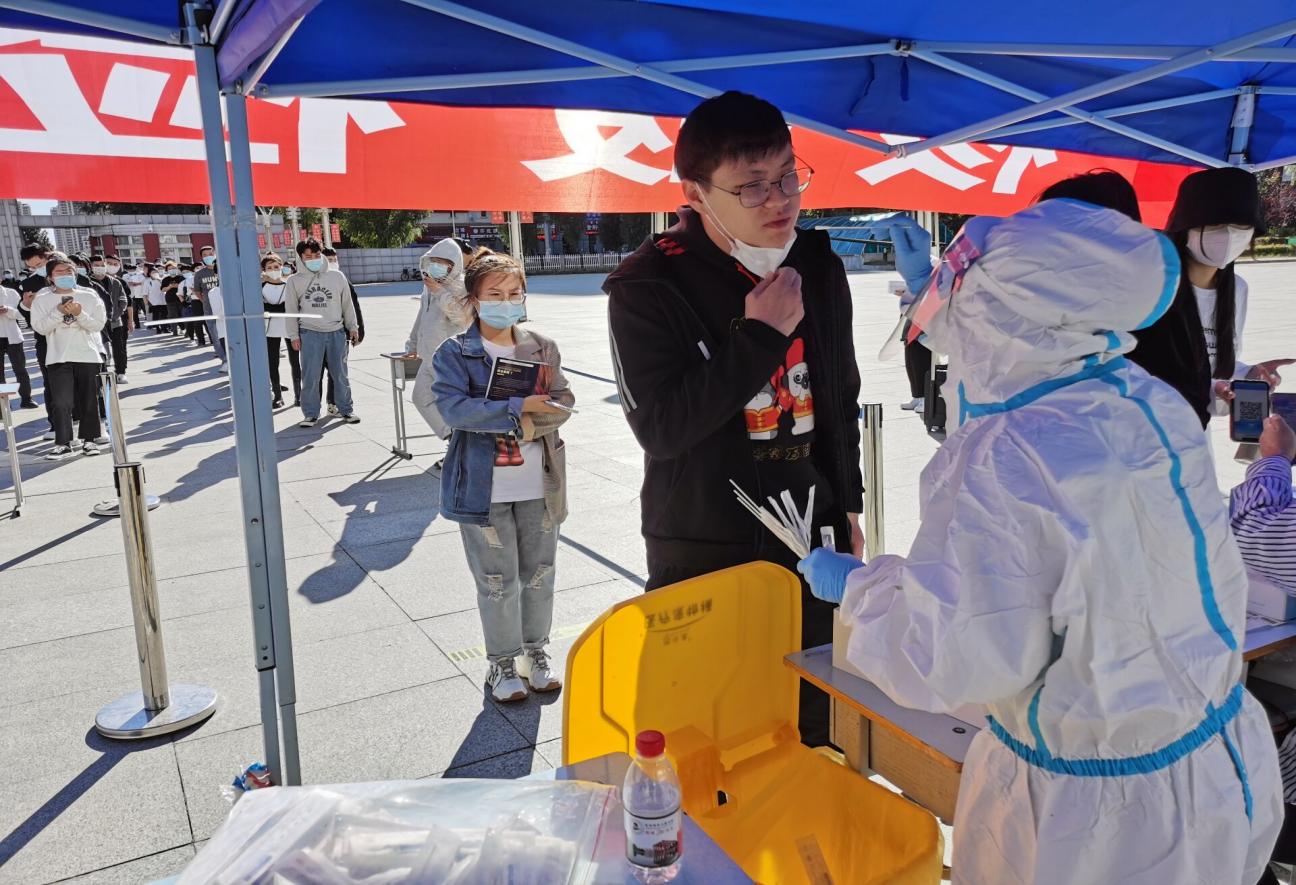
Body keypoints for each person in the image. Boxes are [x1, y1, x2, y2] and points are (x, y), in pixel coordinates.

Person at [800, 199, 1281, 884]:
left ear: (990, 318)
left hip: (1096, 829)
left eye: (960, 305)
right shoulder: (1143, 401)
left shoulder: (1009, 454)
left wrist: (863, 589)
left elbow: (962, 656)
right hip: (1216, 771)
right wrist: (929, 286)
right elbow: (1009, 349)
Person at [605, 91, 863, 747]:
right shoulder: (647, 285)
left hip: (812, 537)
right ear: (694, 193)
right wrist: (761, 337)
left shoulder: (817, 265)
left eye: (788, 177)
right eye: (751, 187)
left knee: (815, 725)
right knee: (709, 737)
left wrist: (848, 506)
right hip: (705, 545)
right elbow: (661, 428)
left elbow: (840, 395)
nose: (780, 200)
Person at [430, 248, 574, 703]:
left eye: (514, 293)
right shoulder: (455, 352)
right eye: (494, 294)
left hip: (540, 484)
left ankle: (536, 653)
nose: (506, 301)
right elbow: (455, 410)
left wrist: (525, 422)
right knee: (497, 582)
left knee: (540, 574)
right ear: (473, 299)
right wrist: (519, 407)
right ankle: (502, 663)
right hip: (483, 488)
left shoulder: (542, 347)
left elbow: (563, 402)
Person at [1131, 167, 1293, 427]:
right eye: (1216, 225)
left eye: (1241, 227)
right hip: (1143, 425)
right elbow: (1142, 370)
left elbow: (1211, 367)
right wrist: (1209, 386)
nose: (1229, 235)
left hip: (1193, 429)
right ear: (1186, 227)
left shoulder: (1237, 289)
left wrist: (1248, 375)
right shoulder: (1153, 286)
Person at [30, 257, 106, 459]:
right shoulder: (42, 299)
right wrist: (58, 312)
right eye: (59, 272)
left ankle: (90, 440)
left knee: (89, 399)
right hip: (58, 356)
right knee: (61, 401)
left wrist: (80, 314)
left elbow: (98, 325)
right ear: (50, 277)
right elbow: (40, 327)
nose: (65, 275)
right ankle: (63, 443)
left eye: (69, 271)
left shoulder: (89, 295)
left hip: (87, 354)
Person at [284, 238, 359, 427]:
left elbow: (347, 304)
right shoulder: (294, 281)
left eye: (317, 255)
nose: (313, 259)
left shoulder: (337, 276)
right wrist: (293, 336)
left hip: (336, 331)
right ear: (300, 257)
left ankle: (346, 410)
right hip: (309, 333)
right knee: (310, 376)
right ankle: (310, 414)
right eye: (308, 256)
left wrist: (353, 326)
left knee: (340, 375)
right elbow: (291, 310)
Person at [409, 238, 472, 442]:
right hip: (429, 354)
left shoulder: (461, 287)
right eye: (433, 261)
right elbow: (422, 315)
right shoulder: (429, 287)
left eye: (441, 262)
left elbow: (462, 318)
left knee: (451, 402)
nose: (435, 266)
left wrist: (440, 293)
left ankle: (460, 441)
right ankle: (452, 436)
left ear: (453, 265)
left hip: (449, 358)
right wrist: (413, 344)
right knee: (420, 397)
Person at [315, 246, 365, 416]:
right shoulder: (313, 280)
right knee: (316, 372)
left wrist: (358, 329)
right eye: (328, 260)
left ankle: (333, 403)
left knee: (337, 371)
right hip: (316, 333)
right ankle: (313, 408)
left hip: (340, 333)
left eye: (334, 259)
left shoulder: (343, 280)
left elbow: (354, 307)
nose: (332, 263)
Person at [17, 243, 55, 438]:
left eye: (39, 264)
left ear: (46, 257)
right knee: (50, 382)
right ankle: (55, 424)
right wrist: (26, 305)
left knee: (79, 381)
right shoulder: (28, 284)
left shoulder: (66, 274)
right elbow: (26, 316)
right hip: (45, 338)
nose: (37, 269)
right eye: (32, 267)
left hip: (73, 336)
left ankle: (86, 421)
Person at [261, 253, 300, 408]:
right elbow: (263, 307)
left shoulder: (289, 285)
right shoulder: (260, 287)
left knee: (295, 362)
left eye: (276, 267)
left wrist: (273, 308)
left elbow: (291, 306)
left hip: (290, 327)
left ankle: (299, 395)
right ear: (263, 270)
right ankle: (277, 395)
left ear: (281, 267)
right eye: (269, 267)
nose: (273, 270)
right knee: (273, 362)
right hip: (270, 329)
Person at [91, 254, 131, 384]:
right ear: (91, 267)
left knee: (119, 348)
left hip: (115, 321)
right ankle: (102, 373)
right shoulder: (87, 282)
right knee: (99, 348)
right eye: (96, 266)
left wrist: (115, 314)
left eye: (102, 265)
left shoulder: (115, 282)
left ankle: (121, 372)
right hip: (96, 323)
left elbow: (123, 300)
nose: (99, 268)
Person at [0, 279, 34, 407]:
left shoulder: (11, 293)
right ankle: (3, 405)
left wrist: (7, 310)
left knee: (20, 369)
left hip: (13, 337)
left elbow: (20, 313)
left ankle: (26, 398)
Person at [192, 245, 227, 367]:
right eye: (205, 255)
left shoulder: (223, 269)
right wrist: (205, 301)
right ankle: (224, 360)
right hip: (210, 310)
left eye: (210, 254)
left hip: (226, 309)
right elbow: (197, 291)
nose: (208, 257)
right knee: (215, 336)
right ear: (201, 258)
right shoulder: (199, 274)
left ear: (215, 254)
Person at [160, 261, 184, 335]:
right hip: (170, 299)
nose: (172, 270)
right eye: (169, 269)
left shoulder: (181, 277)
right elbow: (162, 289)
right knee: (172, 315)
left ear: (176, 269)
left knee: (181, 315)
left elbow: (185, 286)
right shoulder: (165, 279)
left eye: (173, 268)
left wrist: (177, 285)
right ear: (167, 270)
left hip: (181, 299)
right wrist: (169, 287)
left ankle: (183, 328)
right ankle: (174, 331)